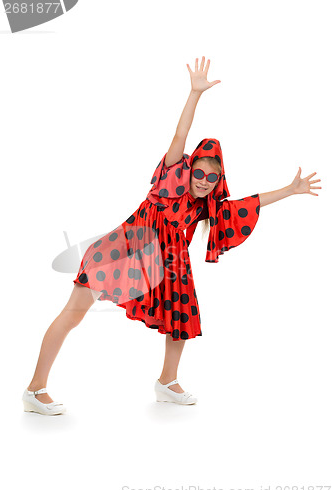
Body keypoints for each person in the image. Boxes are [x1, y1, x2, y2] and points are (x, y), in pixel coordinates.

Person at [22, 56, 321, 415]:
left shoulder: (206, 207)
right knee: (73, 314)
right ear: (188, 168)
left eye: (212, 178)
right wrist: (195, 94)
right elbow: (180, 135)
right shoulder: (170, 179)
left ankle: (167, 382)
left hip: (167, 263)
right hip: (122, 251)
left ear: (217, 182)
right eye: (199, 172)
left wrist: (290, 190)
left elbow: (247, 204)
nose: (203, 181)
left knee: (182, 315)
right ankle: (35, 390)